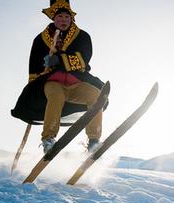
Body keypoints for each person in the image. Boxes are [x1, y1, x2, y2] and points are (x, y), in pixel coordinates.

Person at [11, 0, 105, 153]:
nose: (63, 20)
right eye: (60, 17)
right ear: (54, 19)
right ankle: (48, 138)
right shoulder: (40, 40)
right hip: (52, 82)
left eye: (66, 17)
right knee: (56, 96)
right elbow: (34, 64)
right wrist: (35, 83)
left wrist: (59, 59)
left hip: (76, 83)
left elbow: (84, 59)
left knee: (96, 96)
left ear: (71, 18)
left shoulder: (82, 36)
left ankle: (94, 140)